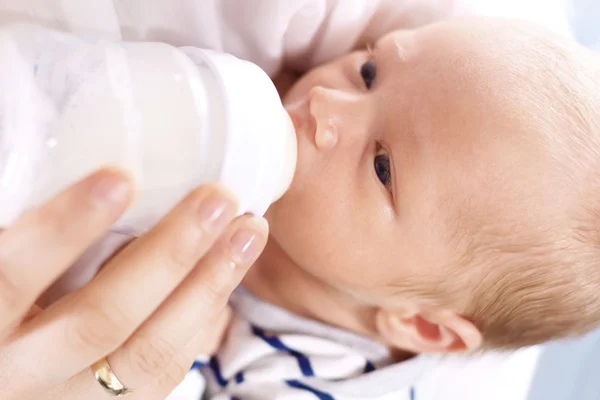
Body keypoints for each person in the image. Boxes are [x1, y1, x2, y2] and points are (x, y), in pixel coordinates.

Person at [0, 1, 578, 400]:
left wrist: (185, 369)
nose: (326, 101)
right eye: (370, 70)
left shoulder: (309, 377)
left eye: (381, 167)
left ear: (422, 329)